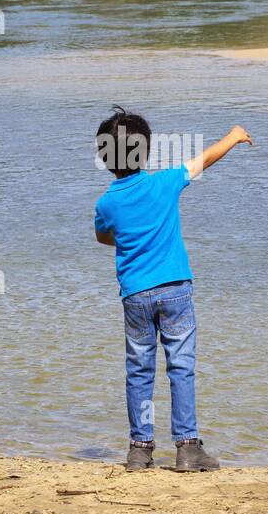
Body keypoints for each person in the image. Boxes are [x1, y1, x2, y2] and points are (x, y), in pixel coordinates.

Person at [93, 107, 253, 471]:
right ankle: (187, 447)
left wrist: (131, 237)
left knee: (139, 370)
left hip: (135, 294)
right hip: (176, 290)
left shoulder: (107, 203)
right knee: (181, 367)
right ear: (144, 152)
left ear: (105, 159)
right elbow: (205, 160)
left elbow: (105, 237)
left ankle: (139, 449)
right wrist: (234, 135)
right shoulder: (165, 183)